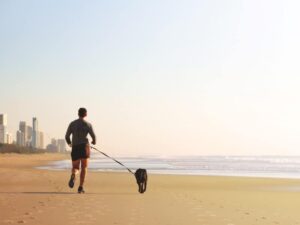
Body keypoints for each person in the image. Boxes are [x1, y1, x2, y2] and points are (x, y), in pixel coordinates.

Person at [65, 107, 96, 193]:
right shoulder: (88, 124)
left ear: (78, 114)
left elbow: (67, 136)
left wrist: (70, 143)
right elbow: (94, 137)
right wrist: (93, 142)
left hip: (75, 147)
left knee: (75, 167)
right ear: (85, 114)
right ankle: (80, 187)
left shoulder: (72, 124)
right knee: (84, 167)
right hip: (84, 147)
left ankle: (74, 174)